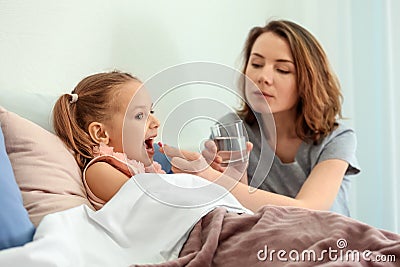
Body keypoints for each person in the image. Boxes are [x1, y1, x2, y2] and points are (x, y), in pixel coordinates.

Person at [164, 19, 360, 216]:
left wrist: (212, 178)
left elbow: (308, 210)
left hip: (329, 242)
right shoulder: (231, 129)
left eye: (282, 70)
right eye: (256, 64)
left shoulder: (337, 139)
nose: (263, 77)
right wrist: (228, 177)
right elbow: (237, 213)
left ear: (307, 81)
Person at [52, 71, 165, 210]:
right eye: (140, 115)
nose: (156, 123)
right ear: (100, 133)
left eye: (151, 112)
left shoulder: (142, 168)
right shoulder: (99, 170)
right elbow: (156, 205)